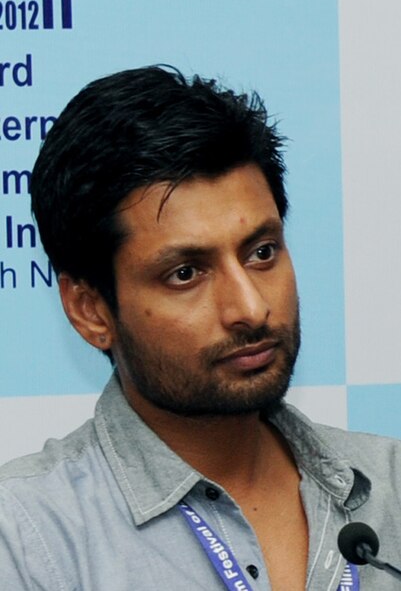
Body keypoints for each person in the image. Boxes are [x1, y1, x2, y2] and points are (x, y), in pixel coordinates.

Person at [0, 66, 401, 591]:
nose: (251, 308)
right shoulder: (28, 538)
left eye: (261, 253)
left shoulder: (389, 484)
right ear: (91, 310)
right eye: (185, 273)